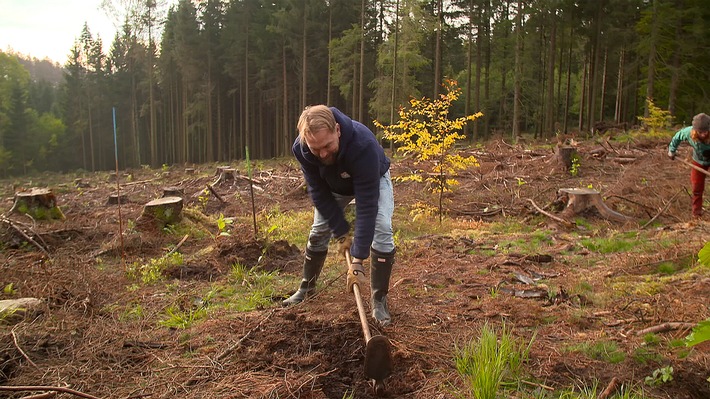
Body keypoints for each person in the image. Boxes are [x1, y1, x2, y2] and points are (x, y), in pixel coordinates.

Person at [283, 105, 396, 327]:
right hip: (333, 186)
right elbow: (318, 192)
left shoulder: (363, 145)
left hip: (372, 180)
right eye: (316, 149)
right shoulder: (302, 148)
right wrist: (341, 232)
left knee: (382, 227)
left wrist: (357, 259)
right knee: (318, 231)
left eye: (327, 145)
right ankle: (306, 288)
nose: (323, 153)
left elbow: (366, 205)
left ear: (337, 130)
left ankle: (378, 300)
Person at [668, 112, 710, 218]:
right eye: (701, 132)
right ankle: (697, 215)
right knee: (697, 187)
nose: (704, 134)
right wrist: (671, 151)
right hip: (698, 161)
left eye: (706, 131)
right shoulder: (688, 132)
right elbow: (676, 138)